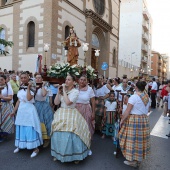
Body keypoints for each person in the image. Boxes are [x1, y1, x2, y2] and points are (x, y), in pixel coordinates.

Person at [51, 74, 91, 163]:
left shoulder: (75, 92)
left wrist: (64, 91)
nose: (66, 81)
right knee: (58, 133)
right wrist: (58, 92)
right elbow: (56, 102)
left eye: (69, 80)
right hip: (61, 112)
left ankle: (75, 156)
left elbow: (68, 102)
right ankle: (58, 154)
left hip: (71, 112)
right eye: (66, 79)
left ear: (73, 82)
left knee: (71, 134)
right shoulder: (62, 90)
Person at [119, 81, 150, 168]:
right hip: (143, 120)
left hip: (134, 120)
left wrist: (122, 120)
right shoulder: (146, 96)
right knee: (140, 141)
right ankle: (138, 160)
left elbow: (128, 111)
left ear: (136, 87)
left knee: (132, 140)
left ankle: (132, 160)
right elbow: (148, 109)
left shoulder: (134, 97)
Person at [11, 72, 43, 158]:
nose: (23, 79)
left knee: (30, 127)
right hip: (21, 110)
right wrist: (14, 111)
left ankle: (35, 148)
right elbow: (18, 100)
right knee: (21, 127)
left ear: (28, 78)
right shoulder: (21, 87)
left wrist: (28, 88)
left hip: (29, 109)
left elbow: (29, 98)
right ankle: (20, 145)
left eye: (25, 77)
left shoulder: (33, 86)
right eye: (22, 78)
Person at [34, 73, 54, 148]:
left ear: (42, 79)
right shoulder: (33, 87)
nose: (38, 79)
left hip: (44, 105)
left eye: (39, 78)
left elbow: (43, 94)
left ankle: (46, 139)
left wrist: (41, 86)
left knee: (46, 122)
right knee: (37, 122)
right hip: (35, 105)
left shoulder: (45, 87)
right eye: (37, 78)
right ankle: (38, 138)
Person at [76, 75, 95, 139]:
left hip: (86, 109)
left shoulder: (89, 89)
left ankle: (86, 141)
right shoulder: (75, 88)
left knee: (86, 126)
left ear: (87, 81)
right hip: (76, 110)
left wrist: (93, 113)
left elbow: (93, 102)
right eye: (81, 79)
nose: (82, 81)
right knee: (77, 126)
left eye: (84, 80)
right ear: (78, 80)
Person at [0, 75, 14, 142]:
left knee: (5, 121)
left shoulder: (8, 87)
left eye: (2, 79)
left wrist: (2, 97)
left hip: (6, 105)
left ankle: (4, 135)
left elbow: (10, 98)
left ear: (5, 80)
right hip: (0, 105)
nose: (0, 81)